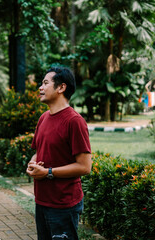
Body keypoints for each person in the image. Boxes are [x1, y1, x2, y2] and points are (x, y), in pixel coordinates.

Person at [26, 67, 92, 240]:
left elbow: (85, 166)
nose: (40, 87)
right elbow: (39, 151)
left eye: (46, 83)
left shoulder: (74, 121)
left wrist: (48, 173)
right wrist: (33, 164)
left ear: (61, 88)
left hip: (64, 205)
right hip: (42, 200)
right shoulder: (43, 118)